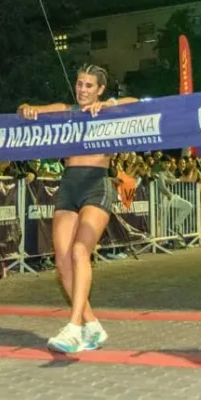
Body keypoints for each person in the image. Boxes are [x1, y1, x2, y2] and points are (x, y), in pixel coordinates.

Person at [17, 64, 139, 353]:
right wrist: (26, 110)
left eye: (89, 85)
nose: (82, 89)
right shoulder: (67, 110)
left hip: (97, 184)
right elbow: (26, 109)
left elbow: (136, 103)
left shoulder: (109, 111)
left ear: (100, 89)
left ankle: (74, 328)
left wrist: (108, 105)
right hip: (69, 185)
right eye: (79, 84)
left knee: (80, 251)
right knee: (62, 261)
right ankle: (92, 324)